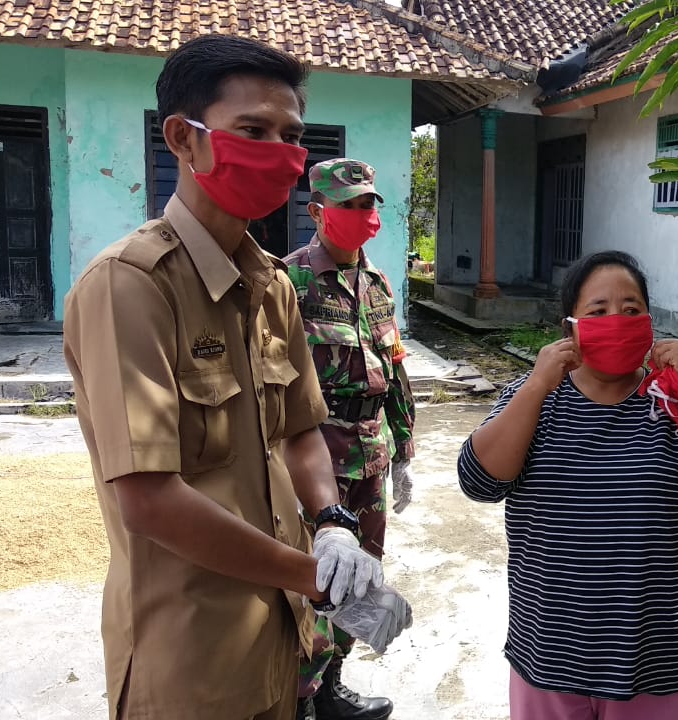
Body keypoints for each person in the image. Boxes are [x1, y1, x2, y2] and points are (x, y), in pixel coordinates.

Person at [62, 35, 411, 720]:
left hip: (276, 638)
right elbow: (150, 499)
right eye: (252, 130)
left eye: (290, 135)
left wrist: (333, 521)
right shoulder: (129, 287)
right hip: (190, 658)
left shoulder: (271, 285)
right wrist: (315, 576)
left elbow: (303, 428)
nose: (279, 152)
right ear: (183, 141)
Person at [457, 250, 678, 720]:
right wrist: (538, 385)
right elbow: (479, 481)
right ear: (571, 329)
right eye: (598, 311)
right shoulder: (537, 398)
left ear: (649, 324)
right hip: (548, 656)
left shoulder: (673, 405)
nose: (616, 320)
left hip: (652, 663)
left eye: (630, 310)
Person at [284, 158, 416, 720]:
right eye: (350, 206)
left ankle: (332, 688)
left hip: (372, 452)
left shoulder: (378, 283)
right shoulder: (289, 281)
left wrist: (406, 448)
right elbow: (277, 385)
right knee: (313, 585)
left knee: (363, 579)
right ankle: (297, 699)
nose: (364, 215)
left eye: (369, 205)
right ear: (317, 212)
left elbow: (396, 368)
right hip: (318, 459)